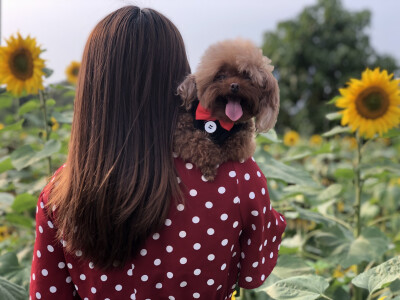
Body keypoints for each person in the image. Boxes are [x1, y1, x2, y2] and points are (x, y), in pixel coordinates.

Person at [29, 5, 286, 300]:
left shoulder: (60, 194)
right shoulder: (238, 178)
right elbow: (254, 272)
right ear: (182, 81)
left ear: (91, 91)